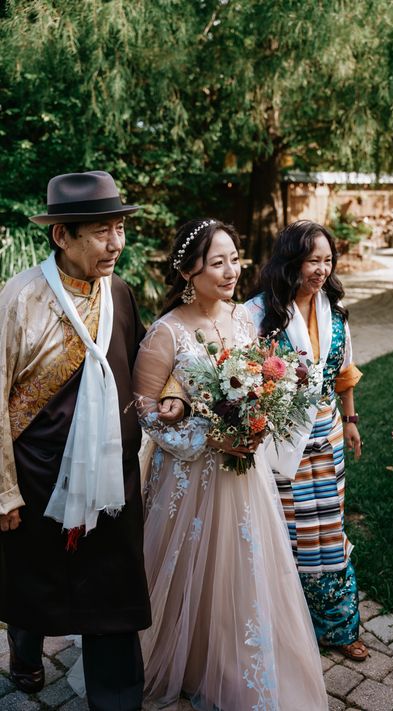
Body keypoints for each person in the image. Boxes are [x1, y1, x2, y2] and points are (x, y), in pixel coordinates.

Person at [0, 170, 184, 710]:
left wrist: (173, 392)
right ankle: (26, 654)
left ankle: (117, 699)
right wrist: (4, 490)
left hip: (111, 478)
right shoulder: (18, 299)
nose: (117, 243)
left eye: (120, 228)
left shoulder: (120, 294)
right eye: (102, 231)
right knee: (31, 580)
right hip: (35, 476)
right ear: (62, 235)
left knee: (114, 592)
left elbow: (145, 362)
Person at [133, 219, 328, 710]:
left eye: (233, 258)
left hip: (243, 475)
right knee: (188, 572)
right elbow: (144, 412)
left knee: (242, 569)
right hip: (187, 475)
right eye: (216, 263)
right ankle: (186, 656)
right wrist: (208, 436)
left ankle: (233, 661)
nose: (230, 271)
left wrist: (257, 422)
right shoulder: (166, 333)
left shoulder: (243, 318)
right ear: (188, 271)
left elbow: (257, 382)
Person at [246, 220, 368, 662]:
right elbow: (243, 378)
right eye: (312, 260)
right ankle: (285, 628)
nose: (321, 269)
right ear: (290, 261)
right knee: (288, 532)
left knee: (328, 531)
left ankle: (338, 627)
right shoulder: (258, 312)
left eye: (327, 260)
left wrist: (350, 419)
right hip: (280, 444)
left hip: (327, 436)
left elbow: (344, 370)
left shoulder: (333, 311)